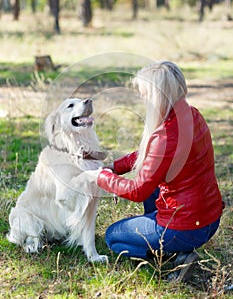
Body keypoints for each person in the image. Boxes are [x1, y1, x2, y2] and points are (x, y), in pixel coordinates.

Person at [85, 61, 224, 282]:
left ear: (157, 95)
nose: (142, 100)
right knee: (153, 183)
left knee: (114, 238)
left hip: (186, 228)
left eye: (144, 94)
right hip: (209, 218)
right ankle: (170, 242)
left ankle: (175, 255)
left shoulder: (166, 136)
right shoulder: (192, 115)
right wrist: (115, 167)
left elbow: (138, 191)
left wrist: (101, 177)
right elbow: (150, 155)